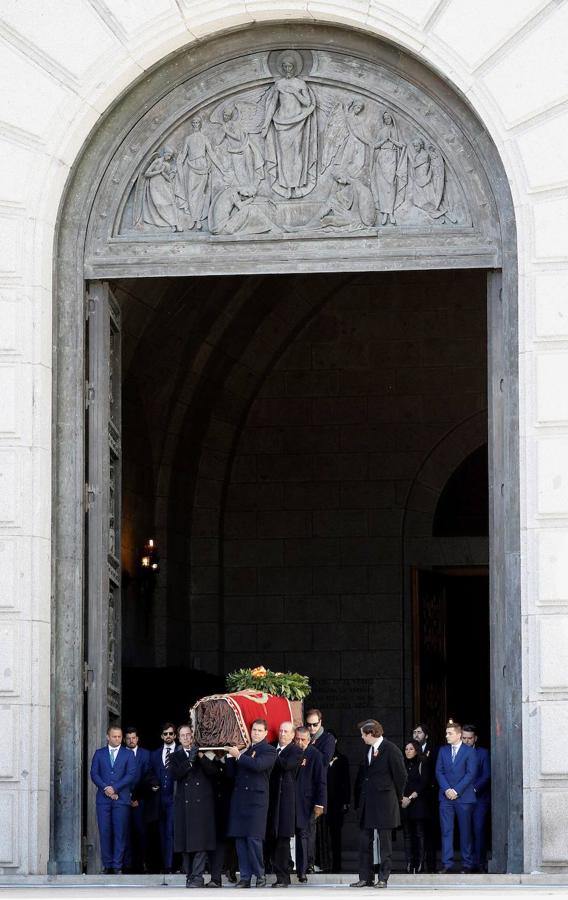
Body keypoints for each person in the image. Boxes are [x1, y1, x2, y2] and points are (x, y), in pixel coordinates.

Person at [352, 719, 407, 889]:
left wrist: (397, 796)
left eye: (363, 734)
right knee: (364, 841)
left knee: (385, 843)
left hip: (384, 802)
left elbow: (401, 775)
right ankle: (365, 877)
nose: (362, 737)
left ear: (371, 734)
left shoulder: (391, 749)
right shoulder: (368, 749)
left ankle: (383, 878)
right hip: (368, 802)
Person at [225, 718, 277, 888]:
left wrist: (238, 755)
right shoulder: (246, 750)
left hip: (256, 802)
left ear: (265, 733)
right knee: (240, 840)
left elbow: (258, 765)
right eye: (254, 729)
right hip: (240, 800)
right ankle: (245, 877)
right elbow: (231, 775)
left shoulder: (269, 750)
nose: (256, 733)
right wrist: (229, 757)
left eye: (260, 730)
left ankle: (260, 875)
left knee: (254, 839)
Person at [262, 52, 317, 199]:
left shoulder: (300, 84)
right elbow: (272, 104)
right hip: (281, 123)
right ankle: (286, 186)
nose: (287, 69)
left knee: (297, 154)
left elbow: (307, 103)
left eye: (290, 66)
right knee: (284, 156)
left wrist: (295, 92)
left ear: (294, 67)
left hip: (297, 122)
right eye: (285, 67)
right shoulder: (279, 84)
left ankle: (297, 185)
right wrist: (266, 124)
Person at [169, 724, 217, 888]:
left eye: (188, 734)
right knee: (185, 844)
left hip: (202, 805)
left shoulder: (204, 752)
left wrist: (200, 756)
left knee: (200, 843)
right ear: (178, 738)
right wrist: (189, 761)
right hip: (184, 805)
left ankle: (197, 877)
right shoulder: (174, 756)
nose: (186, 738)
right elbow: (175, 775)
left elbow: (214, 772)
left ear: (193, 736)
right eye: (183, 735)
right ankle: (190, 875)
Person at [90, 724, 137, 875]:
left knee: (120, 832)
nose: (117, 739)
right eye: (114, 736)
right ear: (108, 737)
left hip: (121, 800)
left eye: (119, 737)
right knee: (105, 832)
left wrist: (115, 788)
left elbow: (131, 775)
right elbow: (94, 773)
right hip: (103, 800)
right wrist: (106, 788)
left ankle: (117, 866)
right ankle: (107, 865)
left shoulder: (128, 754)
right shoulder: (99, 753)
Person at [435, 719, 478, 874]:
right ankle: (447, 864)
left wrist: (456, 791)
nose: (446, 736)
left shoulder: (469, 751)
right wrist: (447, 789)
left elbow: (471, 774)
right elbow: (438, 771)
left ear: (459, 735)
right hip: (446, 797)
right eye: (446, 733)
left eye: (450, 733)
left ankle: (467, 864)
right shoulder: (443, 751)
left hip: (464, 798)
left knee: (465, 831)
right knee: (446, 831)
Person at [267, 722, 304, 888]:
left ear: (292, 735)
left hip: (285, 803)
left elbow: (287, 765)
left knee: (282, 840)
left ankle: (283, 877)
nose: (282, 734)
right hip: (270, 800)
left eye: (286, 731)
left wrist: (272, 755)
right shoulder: (271, 747)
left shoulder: (296, 751)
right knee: (272, 839)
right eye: (281, 730)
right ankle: (277, 873)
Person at [294, 726, 327, 883]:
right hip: (290, 801)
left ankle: (303, 870)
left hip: (307, 802)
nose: (300, 742)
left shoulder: (315, 755)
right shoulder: (290, 752)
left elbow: (321, 781)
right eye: (297, 739)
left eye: (303, 740)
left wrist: (320, 803)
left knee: (303, 835)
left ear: (309, 740)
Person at [305, 709, 336, 873]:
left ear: (320, 722)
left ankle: (315, 862)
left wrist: (307, 747)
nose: (311, 728)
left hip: (318, 787)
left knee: (316, 829)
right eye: (309, 725)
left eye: (314, 725)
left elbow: (324, 761)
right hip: (304, 787)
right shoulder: (305, 737)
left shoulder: (327, 739)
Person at [462, 724, 491, 873]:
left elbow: (486, 775)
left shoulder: (483, 753)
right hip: (462, 800)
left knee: (479, 830)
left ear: (475, 738)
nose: (467, 741)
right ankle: (468, 864)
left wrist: (473, 789)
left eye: (469, 738)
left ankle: (480, 863)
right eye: (464, 738)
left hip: (479, 799)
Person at [150, 722, 178, 873]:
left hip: (174, 798)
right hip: (158, 799)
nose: (168, 736)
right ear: (161, 736)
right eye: (165, 734)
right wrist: (153, 782)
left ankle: (170, 865)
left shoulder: (180, 751)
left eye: (171, 733)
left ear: (175, 735)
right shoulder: (155, 754)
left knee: (170, 832)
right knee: (160, 832)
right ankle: (162, 864)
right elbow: (150, 773)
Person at [123, 726, 151, 874]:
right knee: (124, 832)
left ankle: (142, 863)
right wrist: (126, 797)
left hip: (140, 801)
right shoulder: (120, 753)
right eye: (128, 738)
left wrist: (137, 797)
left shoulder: (145, 754)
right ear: (124, 740)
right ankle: (126, 865)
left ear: (137, 739)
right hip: (122, 800)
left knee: (141, 832)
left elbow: (147, 777)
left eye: (133, 738)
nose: (131, 740)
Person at [401, 740, 430, 874]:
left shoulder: (422, 763)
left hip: (418, 803)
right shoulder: (402, 764)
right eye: (406, 749)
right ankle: (409, 862)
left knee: (419, 834)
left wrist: (411, 797)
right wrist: (402, 798)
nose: (408, 751)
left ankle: (420, 863)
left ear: (416, 750)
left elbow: (424, 782)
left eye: (411, 749)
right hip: (404, 803)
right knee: (407, 835)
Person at [326, 736, 350, 873]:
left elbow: (346, 781)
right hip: (322, 802)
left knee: (336, 835)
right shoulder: (320, 756)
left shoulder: (342, 759)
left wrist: (346, 802)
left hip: (337, 803)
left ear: (335, 741)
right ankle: (322, 864)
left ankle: (336, 865)